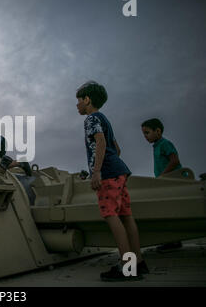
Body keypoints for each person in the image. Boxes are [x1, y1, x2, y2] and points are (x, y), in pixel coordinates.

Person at [76, 81, 148, 281]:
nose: (77, 105)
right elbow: (116, 149)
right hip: (120, 170)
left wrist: (97, 171)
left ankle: (127, 266)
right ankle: (138, 262)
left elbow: (100, 141)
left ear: (87, 100)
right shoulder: (104, 118)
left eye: (79, 100)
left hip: (107, 172)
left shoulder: (91, 119)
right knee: (126, 215)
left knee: (110, 214)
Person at [141, 118, 183, 252]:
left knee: (170, 211)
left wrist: (162, 176)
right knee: (166, 211)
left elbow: (175, 160)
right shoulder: (156, 146)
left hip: (173, 183)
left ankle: (174, 240)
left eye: (147, 133)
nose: (145, 136)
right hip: (164, 184)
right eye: (144, 134)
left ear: (158, 131)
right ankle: (172, 240)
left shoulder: (165, 144)